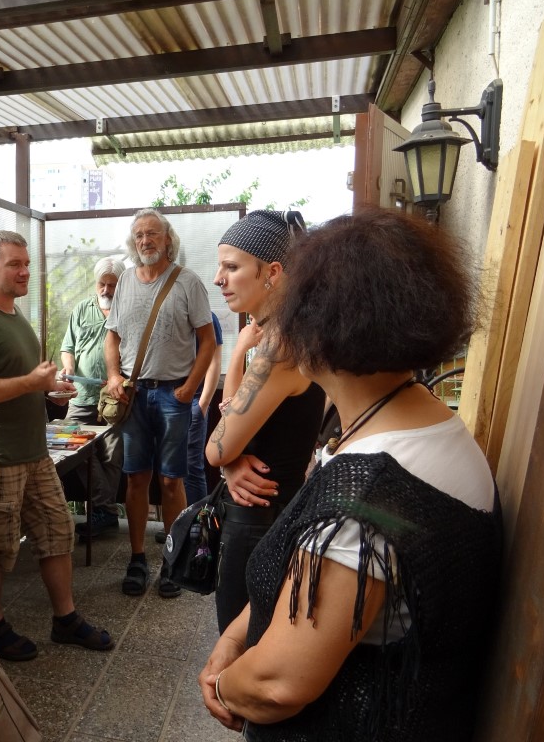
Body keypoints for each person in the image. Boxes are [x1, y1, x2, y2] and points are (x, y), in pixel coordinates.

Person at [200, 209, 502, 741]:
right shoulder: (429, 420)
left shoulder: (366, 496)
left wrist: (222, 685)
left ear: (317, 328)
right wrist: (233, 638)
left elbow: (276, 684)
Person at [0, 230, 114, 662]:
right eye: (15, 264)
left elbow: (15, 382)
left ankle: (66, 619)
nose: (25, 271)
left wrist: (48, 392)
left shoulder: (16, 317)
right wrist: (31, 384)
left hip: (34, 450)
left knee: (58, 531)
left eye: (26, 263)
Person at [204, 210, 326, 633]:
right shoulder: (301, 331)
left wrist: (227, 456)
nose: (218, 278)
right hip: (280, 505)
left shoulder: (280, 347)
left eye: (231, 267)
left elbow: (216, 445)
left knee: (242, 642)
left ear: (271, 272)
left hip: (258, 518)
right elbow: (234, 414)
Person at [104, 208, 215, 598]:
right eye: (139, 236)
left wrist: (190, 388)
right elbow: (112, 338)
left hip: (173, 395)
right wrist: (115, 376)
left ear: (168, 239)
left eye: (152, 234)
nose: (145, 241)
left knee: (172, 480)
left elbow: (208, 341)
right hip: (134, 394)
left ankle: (171, 559)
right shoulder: (124, 284)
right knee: (136, 477)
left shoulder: (188, 282)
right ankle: (137, 558)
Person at [59, 256, 126, 539]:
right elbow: (68, 347)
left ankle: (102, 514)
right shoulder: (81, 309)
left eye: (112, 285)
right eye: (102, 284)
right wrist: (69, 367)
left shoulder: (127, 310)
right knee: (71, 445)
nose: (106, 290)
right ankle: (106, 510)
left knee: (111, 455)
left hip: (114, 398)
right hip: (81, 395)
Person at [185, 310, 223, 506]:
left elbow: (215, 360)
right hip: (170, 398)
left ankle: (196, 524)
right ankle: (176, 522)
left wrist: (204, 403)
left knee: (192, 465)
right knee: (172, 467)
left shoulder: (208, 317)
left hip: (196, 400)